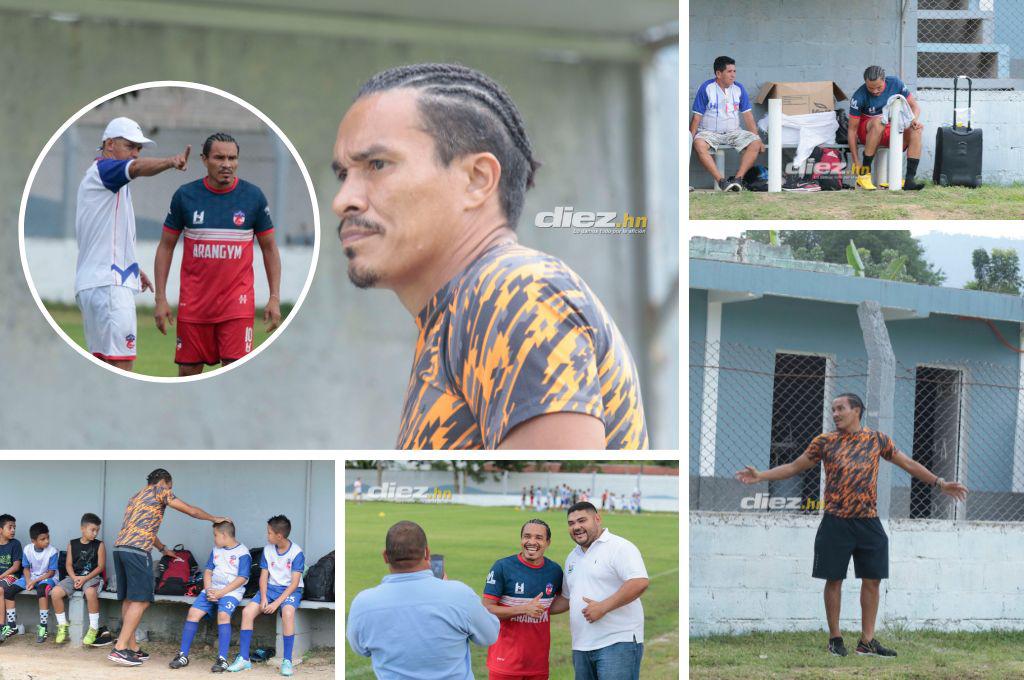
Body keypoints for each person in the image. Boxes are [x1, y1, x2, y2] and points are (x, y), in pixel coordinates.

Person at [332, 63, 647, 450]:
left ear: (477, 179)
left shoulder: (516, 291)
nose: (343, 200)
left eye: (377, 165)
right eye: (342, 174)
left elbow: (552, 492)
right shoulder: (460, 313)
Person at [735, 393, 969, 657]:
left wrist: (940, 483)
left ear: (856, 410)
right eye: (833, 409)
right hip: (836, 521)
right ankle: (835, 639)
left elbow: (908, 464)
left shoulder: (877, 440)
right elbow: (793, 467)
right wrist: (760, 476)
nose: (835, 414)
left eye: (840, 409)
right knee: (833, 579)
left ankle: (867, 642)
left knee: (873, 580)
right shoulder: (824, 442)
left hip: (868, 521)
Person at [155, 132, 282, 376]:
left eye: (232, 158)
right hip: (194, 305)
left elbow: (269, 249)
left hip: (237, 306)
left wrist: (275, 296)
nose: (227, 164)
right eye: (219, 157)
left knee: (235, 376)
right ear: (204, 160)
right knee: (188, 376)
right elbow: (166, 246)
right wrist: (160, 299)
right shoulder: (185, 196)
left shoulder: (253, 197)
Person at [74, 116, 190, 371]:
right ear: (109, 144)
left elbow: (104, 236)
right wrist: (171, 162)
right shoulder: (106, 171)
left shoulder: (100, 179)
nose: (135, 154)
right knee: (122, 365)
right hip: (110, 287)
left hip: (96, 283)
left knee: (103, 365)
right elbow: (136, 169)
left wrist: (132, 267)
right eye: (130, 146)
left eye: (138, 149)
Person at [347, 520, 499, 679]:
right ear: (427, 554)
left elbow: (360, 649)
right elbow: (489, 635)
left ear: (385, 556)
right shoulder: (459, 594)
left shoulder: (363, 603)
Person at [108, 468, 229, 667]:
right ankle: (120, 648)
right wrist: (214, 518)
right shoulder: (160, 490)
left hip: (121, 549)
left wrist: (163, 549)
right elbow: (191, 510)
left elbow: (142, 528)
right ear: (164, 482)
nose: (171, 491)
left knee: (131, 598)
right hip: (138, 551)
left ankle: (132, 647)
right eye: (171, 487)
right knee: (142, 600)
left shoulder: (135, 496)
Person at [551, 502, 649, 680]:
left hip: (618, 642)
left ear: (597, 519)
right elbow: (567, 598)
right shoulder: (572, 557)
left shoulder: (619, 547)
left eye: (582, 520)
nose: (576, 527)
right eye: (571, 523)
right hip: (581, 645)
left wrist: (603, 607)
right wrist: (527, 608)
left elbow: (639, 582)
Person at [482, 519, 568, 680]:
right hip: (505, 662)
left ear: (548, 542)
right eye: (527, 536)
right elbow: (487, 608)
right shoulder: (502, 567)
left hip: (538, 664)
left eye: (538, 538)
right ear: (521, 539)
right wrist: (523, 609)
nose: (531, 542)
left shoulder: (554, 571)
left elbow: (561, 601)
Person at [227, 515, 304, 676]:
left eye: (269, 532)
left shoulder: (296, 552)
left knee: (288, 613)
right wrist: (263, 598)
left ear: (279, 536)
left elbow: (294, 583)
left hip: (290, 590)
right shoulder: (268, 549)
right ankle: (244, 659)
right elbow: (263, 577)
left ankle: (287, 660)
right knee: (248, 612)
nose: (266, 535)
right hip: (269, 589)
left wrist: (276, 604)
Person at [170, 520, 250, 673]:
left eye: (215, 535)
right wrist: (208, 589)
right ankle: (183, 655)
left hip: (231, 592)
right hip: (212, 589)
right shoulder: (216, 550)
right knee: (193, 613)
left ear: (225, 535)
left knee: (223, 614)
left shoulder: (243, 552)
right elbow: (208, 571)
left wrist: (221, 593)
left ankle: (222, 659)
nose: (214, 539)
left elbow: (242, 578)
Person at [690, 56, 765, 191]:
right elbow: (696, 117)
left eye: (734, 71)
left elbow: (748, 116)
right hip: (709, 132)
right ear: (719, 74)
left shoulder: (739, 88)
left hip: (733, 132)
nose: (733, 75)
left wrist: (757, 138)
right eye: (729, 72)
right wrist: (689, 141)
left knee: (755, 142)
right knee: (698, 144)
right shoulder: (706, 88)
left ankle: (738, 180)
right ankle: (722, 181)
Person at [847, 66, 925, 191]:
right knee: (879, 122)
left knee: (917, 129)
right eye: (870, 88)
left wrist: (913, 120)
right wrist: (856, 162)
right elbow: (852, 130)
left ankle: (909, 180)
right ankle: (864, 175)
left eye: (879, 87)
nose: (875, 91)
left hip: (891, 130)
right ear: (865, 83)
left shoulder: (895, 83)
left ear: (884, 80)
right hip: (868, 131)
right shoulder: (859, 96)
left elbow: (915, 106)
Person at [50, 513, 106, 645]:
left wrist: (85, 578)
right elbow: (68, 564)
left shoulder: (99, 545)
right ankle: (62, 625)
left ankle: (93, 628)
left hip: (92, 577)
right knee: (55, 593)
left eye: (97, 530)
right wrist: (75, 577)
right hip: (73, 577)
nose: (95, 533)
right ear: (82, 528)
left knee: (90, 592)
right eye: (92, 530)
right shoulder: (72, 544)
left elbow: (100, 566)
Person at [0, 514, 22, 641]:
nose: (13, 530)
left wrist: (1, 576)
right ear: (0, 530)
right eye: (10, 527)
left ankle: (2, 626)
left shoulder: (15, 544)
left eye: (14, 527)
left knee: (0, 589)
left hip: (11, 576)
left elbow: (16, 567)